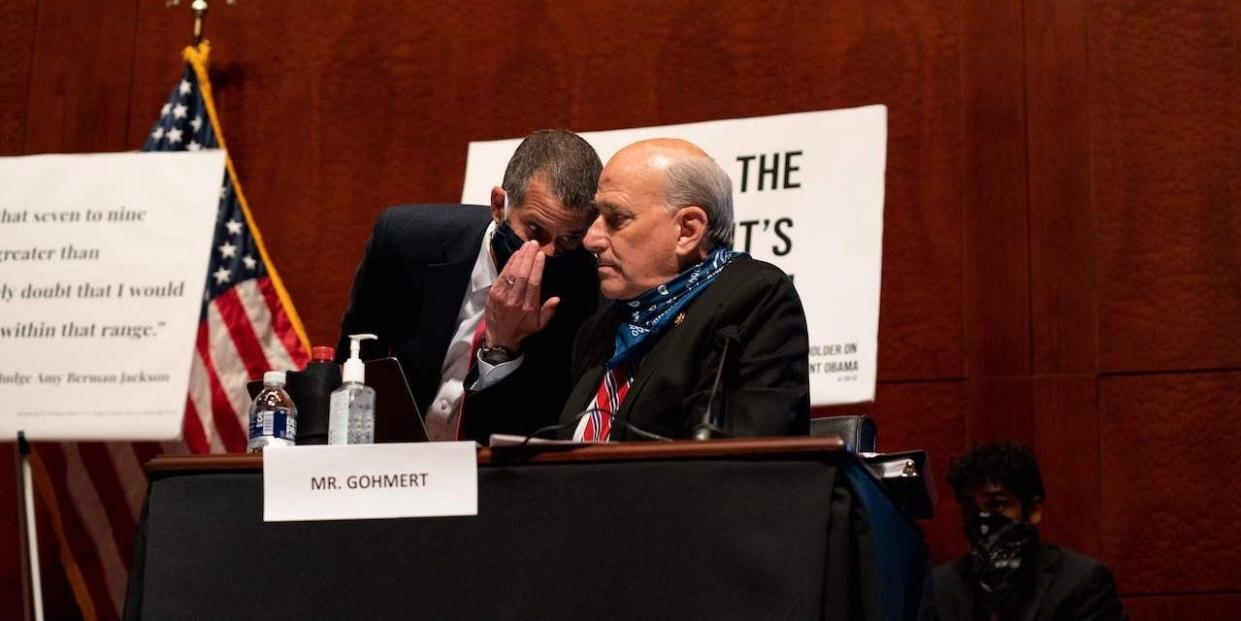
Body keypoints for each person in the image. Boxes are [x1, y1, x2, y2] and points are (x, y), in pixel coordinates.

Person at [337, 129, 602, 442]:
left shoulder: (586, 290)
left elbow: (533, 426)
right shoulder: (404, 242)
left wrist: (503, 348)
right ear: (498, 205)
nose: (546, 255)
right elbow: (353, 362)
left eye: (569, 239)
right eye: (535, 231)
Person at [559, 138, 810, 441]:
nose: (591, 239)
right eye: (595, 217)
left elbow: (740, 465)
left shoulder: (754, 299)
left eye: (616, 219)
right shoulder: (599, 330)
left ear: (688, 231)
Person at [926, 442, 1128, 620]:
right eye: (970, 509)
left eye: (997, 505)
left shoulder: (1081, 582)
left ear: (1033, 510)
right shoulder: (940, 587)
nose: (982, 520)